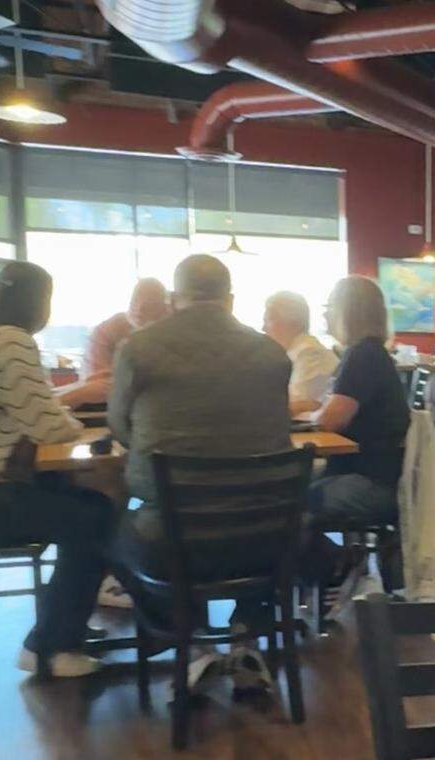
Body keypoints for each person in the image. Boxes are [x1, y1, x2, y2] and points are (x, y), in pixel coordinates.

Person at [108, 255, 292, 689]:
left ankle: (192, 649)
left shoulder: (138, 348)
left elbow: (120, 427)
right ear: (230, 300)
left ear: (174, 300)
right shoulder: (271, 352)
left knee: (109, 533)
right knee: (261, 516)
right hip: (266, 542)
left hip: (170, 542)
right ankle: (247, 642)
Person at [0, 260, 114, 677]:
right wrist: (80, 420)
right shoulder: (10, 340)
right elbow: (45, 424)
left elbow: (31, 410)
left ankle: (65, 624)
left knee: (70, 499)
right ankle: (50, 647)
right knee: (97, 515)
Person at [309, 276, 410, 588]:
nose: (324, 314)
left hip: (373, 485)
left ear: (347, 311)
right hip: (375, 476)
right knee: (278, 489)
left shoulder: (363, 355)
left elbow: (331, 420)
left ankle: (332, 563)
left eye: (329, 307)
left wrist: (309, 415)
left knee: (280, 500)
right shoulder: (368, 353)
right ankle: (325, 565)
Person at [263, 291, 339, 414]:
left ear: (293, 321)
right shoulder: (293, 353)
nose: (263, 328)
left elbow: (299, 405)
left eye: (269, 320)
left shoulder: (309, 353)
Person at [84, 278, 169, 378]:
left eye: (150, 302)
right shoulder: (106, 331)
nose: (140, 308)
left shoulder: (175, 329)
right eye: (135, 300)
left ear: (164, 308)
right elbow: (98, 380)